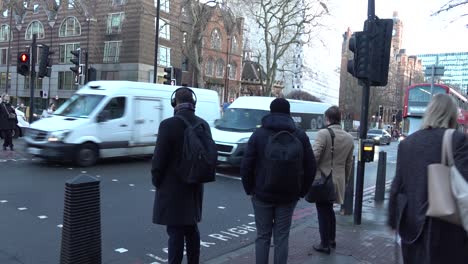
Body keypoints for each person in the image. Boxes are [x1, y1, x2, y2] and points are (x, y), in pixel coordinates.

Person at [388, 94, 468, 264]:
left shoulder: (407, 144)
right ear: (452, 115)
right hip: (447, 233)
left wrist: (393, 220)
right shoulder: (458, 140)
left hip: (411, 231)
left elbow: (397, 186)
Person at [241, 98, 316, 264]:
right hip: (289, 196)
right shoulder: (300, 135)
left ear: (270, 111)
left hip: (261, 194)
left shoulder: (259, 134)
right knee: (282, 237)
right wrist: (301, 191)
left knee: (263, 236)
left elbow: (246, 165)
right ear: (289, 113)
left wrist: (249, 189)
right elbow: (311, 166)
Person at [151, 87, 209, 264]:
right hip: (194, 185)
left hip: (172, 187)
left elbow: (159, 159)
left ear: (174, 103)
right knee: (192, 229)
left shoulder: (168, 125)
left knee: (175, 232)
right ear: (193, 103)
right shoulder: (202, 124)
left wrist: (157, 180)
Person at [311, 106, 354, 254]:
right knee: (329, 210)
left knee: (322, 210)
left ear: (327, 118)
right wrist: (346, 180)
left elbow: (314, 156)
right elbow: (349, 164)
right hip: (339, 180)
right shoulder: (349, 138)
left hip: (323, 180)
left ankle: (324, 244)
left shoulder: (323, 134)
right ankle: (331, 240)